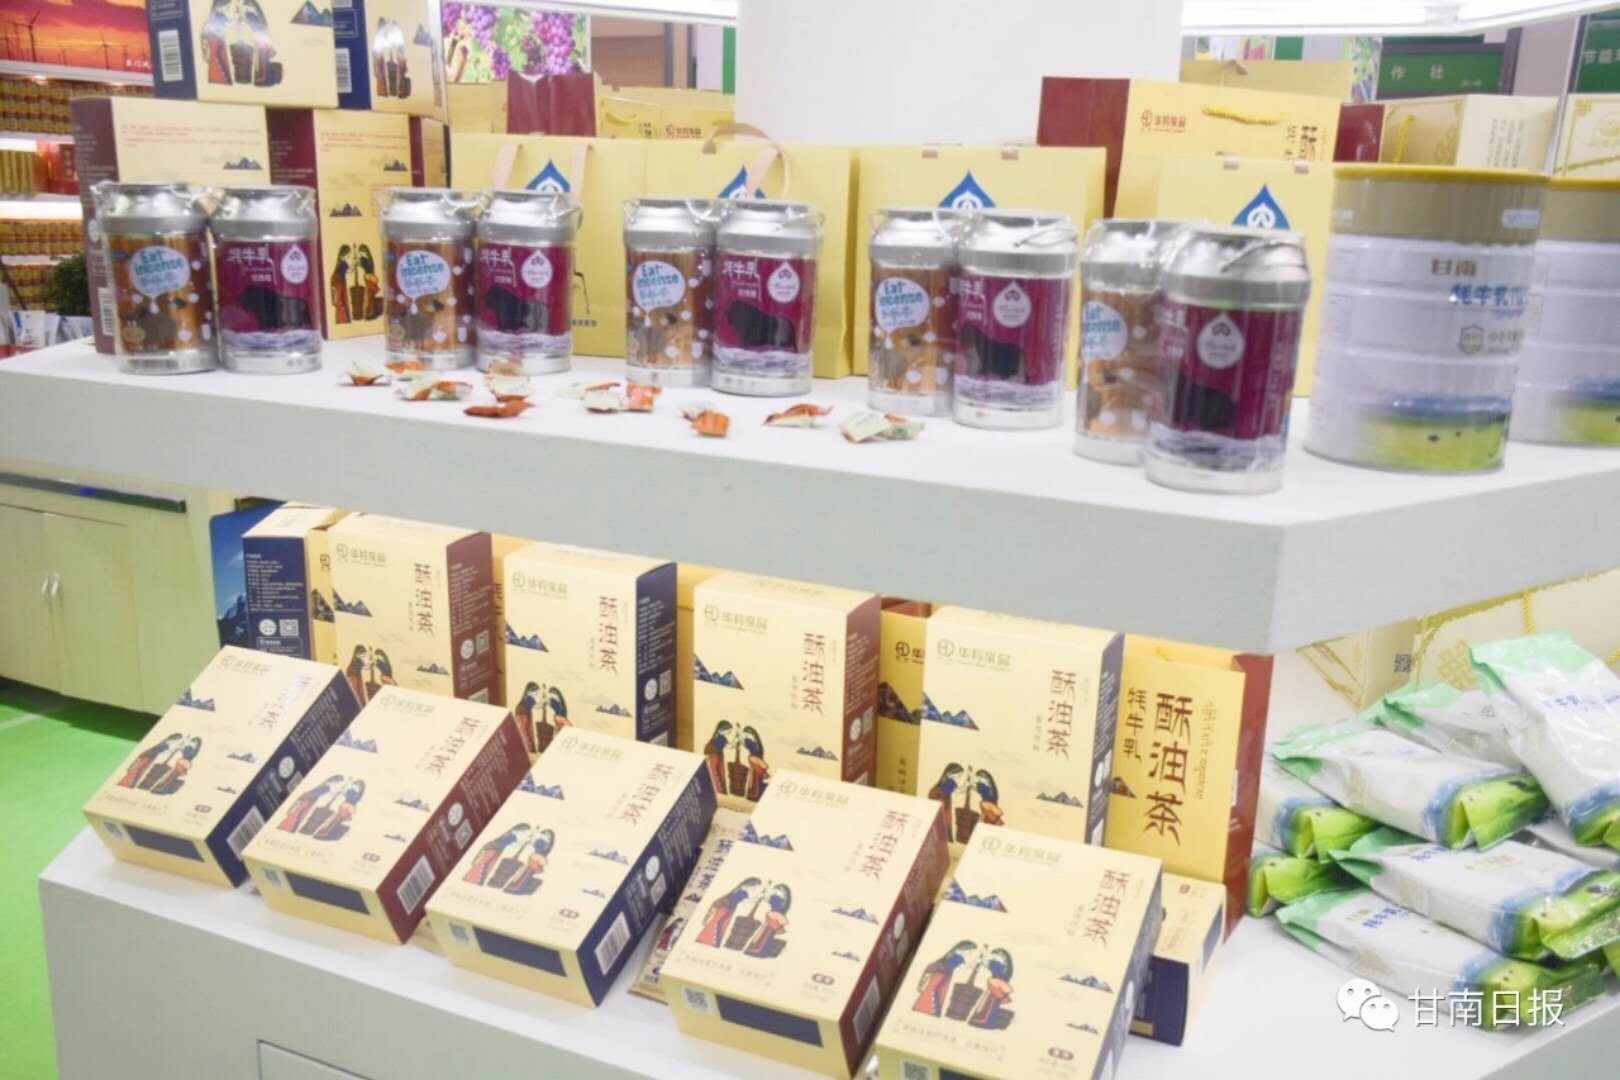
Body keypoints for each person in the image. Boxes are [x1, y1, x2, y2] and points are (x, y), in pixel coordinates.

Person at [912, 940, 978, 1017]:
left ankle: (926, 1009)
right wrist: (976, 962)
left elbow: (965, 966)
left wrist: (975, 962)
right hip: (941, 975)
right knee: (934, 991)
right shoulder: (958, 957)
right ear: (962, 949)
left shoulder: (955, 956)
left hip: (943, 975)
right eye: (969, 951)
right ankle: (927, 1010)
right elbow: (965, 966)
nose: (970, 953)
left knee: (935, 991)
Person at [696, 876, 759, 947]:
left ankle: (709, 941)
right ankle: (707, 940)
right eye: (753, 888)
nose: (754, 890)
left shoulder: (739, 891)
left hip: (727, 909)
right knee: (716, 924)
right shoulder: (742, 892)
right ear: (746, 886)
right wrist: (759, 897)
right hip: (725, 909)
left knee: (719, 924)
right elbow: (748, 901)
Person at [464, 824, 531, 886]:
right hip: (494, 849)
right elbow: (508, 844)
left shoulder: (511, 833)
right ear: (521, 829)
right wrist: (524, 843)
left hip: (495, 848)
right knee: (483, 864)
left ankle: (475, 879)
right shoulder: (513, 835)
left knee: (485, 864)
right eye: (525, 830)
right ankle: (473, 879)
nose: (525, 832)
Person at [967, 948, 1014, 1030]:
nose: (993, 956)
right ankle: (982, 1020)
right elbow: (988, 964)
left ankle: (985, 1022)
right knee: (988, 1003)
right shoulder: (998, 963)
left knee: (991, 1004)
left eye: (996, 955)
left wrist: (983, 956)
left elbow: (989, 965)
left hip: (996, 985)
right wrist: (983, 954)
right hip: (994, 985)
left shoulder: (1000, 965)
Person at [744, 883, 791, 958]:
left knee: (766, 936)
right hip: (771, 917)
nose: (777, 890)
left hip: (774, 918)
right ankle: (754, 950)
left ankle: (759, 951)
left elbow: (772, 902)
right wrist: (765, 892)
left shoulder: (779, 898)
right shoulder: (776, 897)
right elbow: (768, 899)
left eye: (780, 889)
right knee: (761, 935)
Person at [702, 721, 734, 796]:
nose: (729, 732)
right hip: (715, 756)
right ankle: (718, 790)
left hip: (715, 756)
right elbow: (730, 746)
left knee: (716, 772)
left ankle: (717, 790)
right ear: (721, 729)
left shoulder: (718, 736)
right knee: (715, 772)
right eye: (728, 730)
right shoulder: (721, 738)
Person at [741, 726, 769, 802]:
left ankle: (756, 796)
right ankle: (753, 796)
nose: (746, 736)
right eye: (745, 735)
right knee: (754, 779)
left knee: (756, 779)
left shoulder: (756, 743)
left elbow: (743, 742)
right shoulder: (751, 741)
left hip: (756, 762)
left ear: (752, 734)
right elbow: (743, 742)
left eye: (747, 734)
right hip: (754, 761)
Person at [330, 245, 352, 324]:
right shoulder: (342, 263)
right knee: (340, 302)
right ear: (343, 254)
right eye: (347, 254)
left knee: (342, 302)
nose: (348, 256)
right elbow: (349, 270)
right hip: (338, 283)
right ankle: (342, 320)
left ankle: (343, 320)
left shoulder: (343, 263)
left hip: (340, 283)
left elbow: (349, 270)